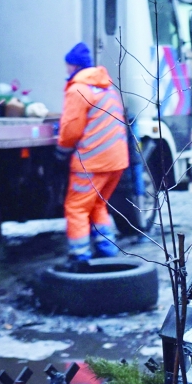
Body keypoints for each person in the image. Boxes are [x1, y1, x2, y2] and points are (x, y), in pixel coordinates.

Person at [57, 42, 129, 262]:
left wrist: (61, 151)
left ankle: (80, 256)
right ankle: (107, 251)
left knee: (76, 207)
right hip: (116, 161)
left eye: (68, 65)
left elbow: (71, 129)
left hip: (92, 162)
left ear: (74, 66)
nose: (66, 69)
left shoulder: (78, 89)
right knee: (98, 204)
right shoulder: (107, 88)